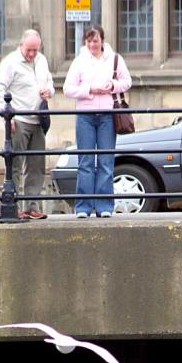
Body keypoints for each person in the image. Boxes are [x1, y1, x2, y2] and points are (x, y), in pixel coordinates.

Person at [63, 24, 132, 218]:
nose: (92, 44)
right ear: (85, 42)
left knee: (105, 162)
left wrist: (112, 85)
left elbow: (127, 81)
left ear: (102, 41)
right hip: (85, 115)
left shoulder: (115, 59)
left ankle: (104, 206)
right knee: (85, 162)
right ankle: (83, 207)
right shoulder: (79, 61)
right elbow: (68, 89)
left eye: (96, 40)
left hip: (107, 116)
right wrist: (89, 90)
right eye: (89, 41)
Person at [0, 29, 54, 220]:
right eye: (29, 50)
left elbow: (51, 83)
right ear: (21, 45)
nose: (32, 54)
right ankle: (13, 206)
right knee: (16, 165)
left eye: (35, 50)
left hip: (38, 120)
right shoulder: (10, 62)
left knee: (36, 166)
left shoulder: (42, 60)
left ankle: (32, 206)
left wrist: (49, 91)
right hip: (18, 120)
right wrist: (5, 116)